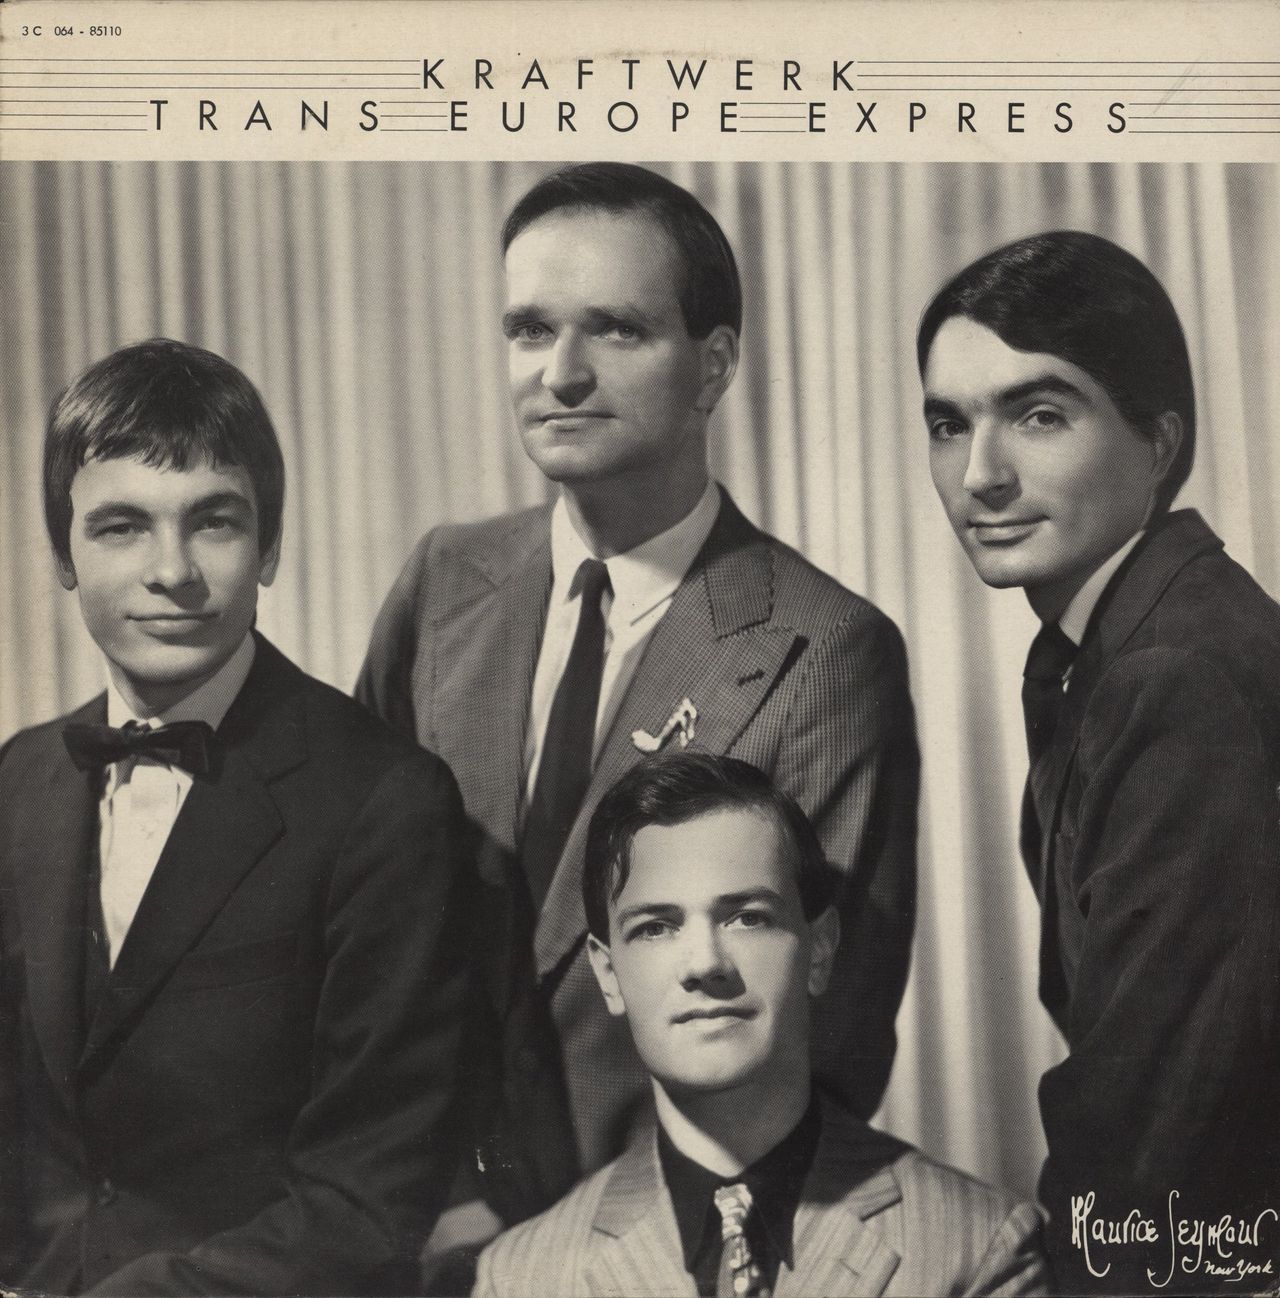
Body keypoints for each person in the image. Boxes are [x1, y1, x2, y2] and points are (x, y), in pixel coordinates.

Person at [357, 162, 919, 1237]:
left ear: (714, 365)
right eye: (530, 330)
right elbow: (353, 923)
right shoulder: (443, 581)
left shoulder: (824, 648)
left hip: (654, 1246)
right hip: (406, 1224)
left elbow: (825, 1035)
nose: (560, 373)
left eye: (615, 329)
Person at [0, 338, 474, 1295]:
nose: (171, 570)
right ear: (60, 554)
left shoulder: (387, 802)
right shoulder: (18, 778)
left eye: (212, 521)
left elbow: (369, 1198)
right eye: (121, 527)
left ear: (271, 545)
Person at [919, 231, 1280, 1294]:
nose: (981, 475)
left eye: (1038, 414)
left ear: (1158, 441)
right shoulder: (1124, 642)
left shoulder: (1176, 672)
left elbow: (1156, 1117)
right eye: (949, 423)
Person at [474, 752, 1048, 1297]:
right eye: (655, 927)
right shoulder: (521, 1279)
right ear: (608, 974)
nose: (705, 964)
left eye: (747, 918)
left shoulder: (979, 1248)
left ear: (819, 951)